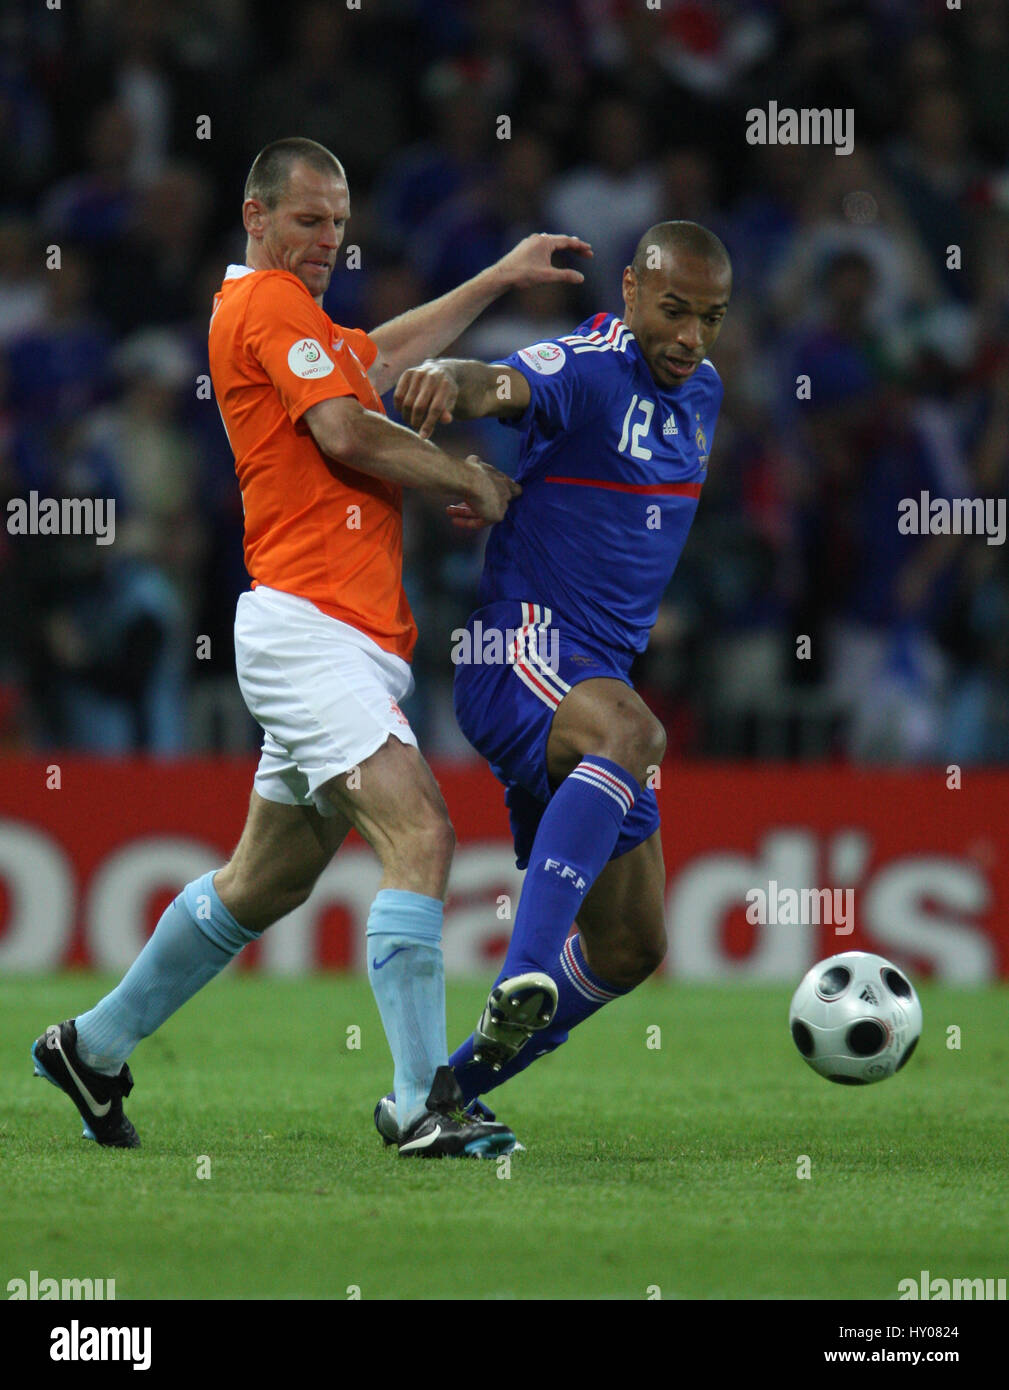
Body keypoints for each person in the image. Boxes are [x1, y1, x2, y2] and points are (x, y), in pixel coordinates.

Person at [31, 136, 591, 1159]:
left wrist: (498, 276)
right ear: (256, 217)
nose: (328, 237)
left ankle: (93, 1044)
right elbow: (345, 427)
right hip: (310, 627)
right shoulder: (262, 304)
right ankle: (423, 1098)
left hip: (341, 632)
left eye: (338, 221)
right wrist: (460, 474)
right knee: (419, 830)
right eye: (307, 218)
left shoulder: (293, 320)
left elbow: (369, 359)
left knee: (264, 880)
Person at [375, 220, 730, 1142]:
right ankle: (522, 971)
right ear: (629, 292)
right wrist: (444, 383)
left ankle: (436, 1098)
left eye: (711, 318)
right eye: (674, 311)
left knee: (630, 945)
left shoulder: (705, 394)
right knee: (634, 734)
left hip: (591, 677)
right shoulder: (590, 361)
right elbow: (501, 381)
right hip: (520, 649)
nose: (690, 336)